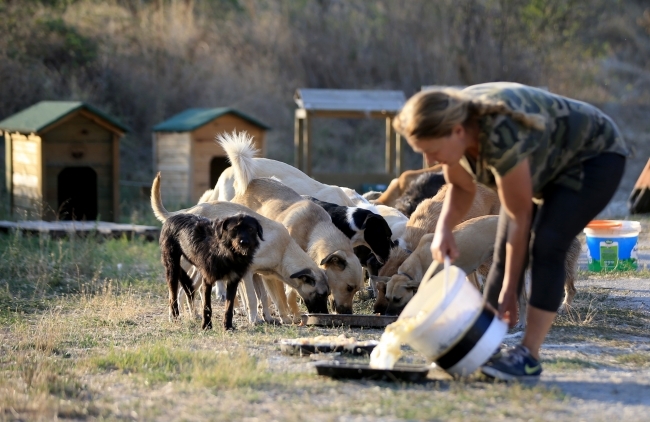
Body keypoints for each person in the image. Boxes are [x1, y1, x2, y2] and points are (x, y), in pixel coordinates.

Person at [393, 82, 629, 380]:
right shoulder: (458, 137)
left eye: (432, 151)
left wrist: (510, 288)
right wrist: (444, 230)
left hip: (594, 156)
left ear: (455, 131)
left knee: (547, 244)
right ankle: (483, 348)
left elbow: (520, 218)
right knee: (502, 250)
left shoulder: (501, 137)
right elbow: (461, 187)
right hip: (546, 163)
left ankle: (528, 357)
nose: (431, 162)